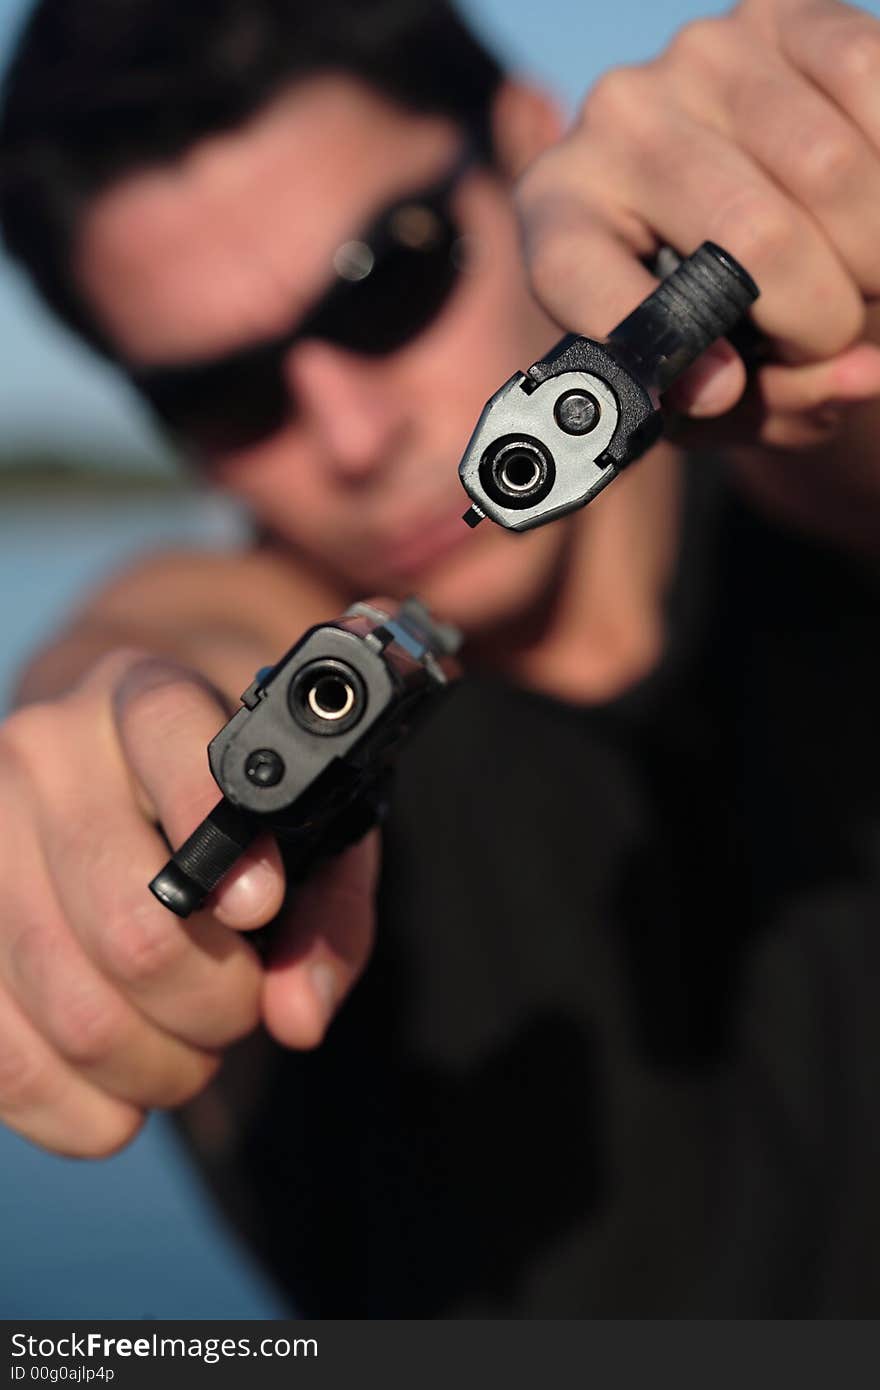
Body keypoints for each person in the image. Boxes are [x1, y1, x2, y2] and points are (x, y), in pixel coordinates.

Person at [0, 0, 879, 1316]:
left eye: (388, 281)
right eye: (222, 390)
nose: (348, 432)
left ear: (532, 144)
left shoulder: (826, 494)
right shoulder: (224, 654)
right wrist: (87, 766)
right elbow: (154, 644)